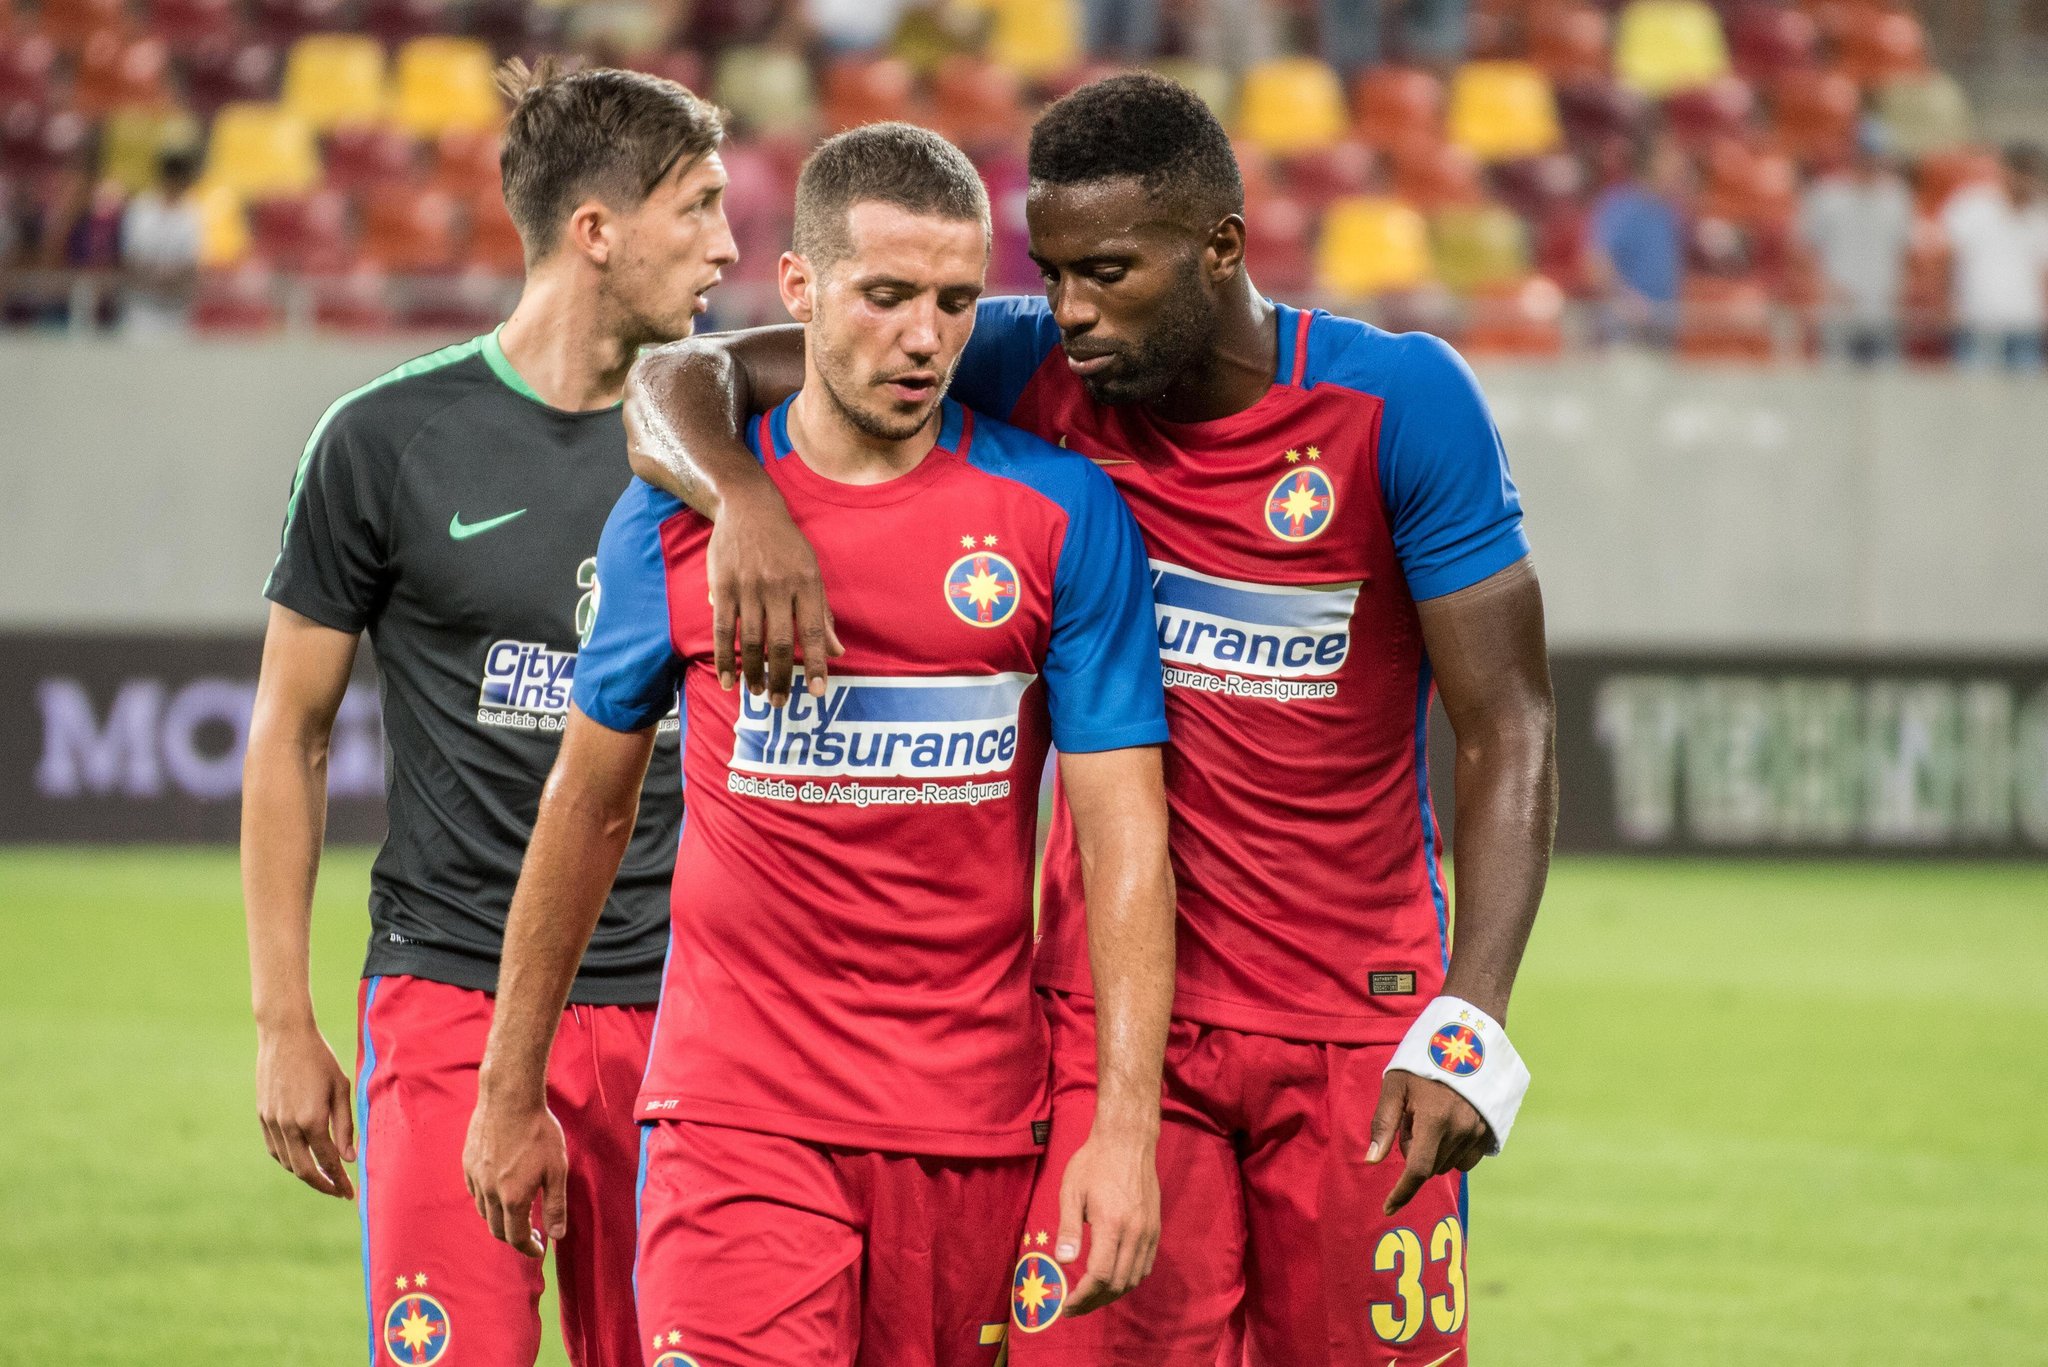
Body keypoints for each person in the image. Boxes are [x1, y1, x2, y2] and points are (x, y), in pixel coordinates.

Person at [624, 73, 1556, 1367]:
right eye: (1052, 273)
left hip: (1361, 1016)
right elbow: (678, 375)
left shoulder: (1399, 404)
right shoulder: (1033, 366)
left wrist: (1475, 1012)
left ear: (1220, 246)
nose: (1069, 311)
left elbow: (1508, 721)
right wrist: (743, 498)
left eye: (1107, 272)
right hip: (1116, 1026)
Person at [461, 122, 1176, 1367]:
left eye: (955, 302)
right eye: (885, 294)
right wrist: (506, 1085)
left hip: (969, 1127)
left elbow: (1120, 844)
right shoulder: (670, 526)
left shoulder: (1060, 515)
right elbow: (585, 809)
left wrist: (1121, 1131)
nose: (923, 336)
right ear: (796, 290)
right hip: (733, 1115)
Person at [240, 59, 734, 1367]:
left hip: (681, 1008)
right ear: (596, 231)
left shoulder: (737, 439)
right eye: (697, 207)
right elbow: (289, 730)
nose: (728, 244)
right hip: (447, 993)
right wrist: (283, 1017)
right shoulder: (381, 441)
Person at [1797, 124, 1914, 365]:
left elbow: (1905, 253)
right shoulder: (1827, 196)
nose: (1869, 163)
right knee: (1837, 391)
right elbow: (1804, 250)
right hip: (1839, 311)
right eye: (1864, 155)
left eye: (1875, 156)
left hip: (1881, 312)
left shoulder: (1897, 199)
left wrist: (1897, 291)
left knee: (1885, 391)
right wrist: (1825, 286)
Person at [1940, 141, 2048, 372]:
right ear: (2005, 171)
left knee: (2026, 401)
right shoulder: (1972, 206)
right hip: (1978, 323)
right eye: (2019, 170)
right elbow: (1947, 259)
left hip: (2025, 326)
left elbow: (2044, 274)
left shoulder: (2042, 217)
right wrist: (1949, 304)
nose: (2024, 179)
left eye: (2030, 172)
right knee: (1974, 401)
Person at [1589, 132, 1689, 348]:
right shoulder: (1621, 206)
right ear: (1652, 163)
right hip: (1626, 330)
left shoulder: (1671, 210)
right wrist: (1626, 300)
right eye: (1671, 159)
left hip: (1663, 326)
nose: (1680, 166)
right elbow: (1597, 263)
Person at [120, 145, 204, 338]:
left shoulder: (191, 214)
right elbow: (131, 259)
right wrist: (156, 279)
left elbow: (191, 265)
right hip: (141, 309)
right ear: (165, 179)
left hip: (176, 310)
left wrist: (170, 279)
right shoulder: (141, 209)